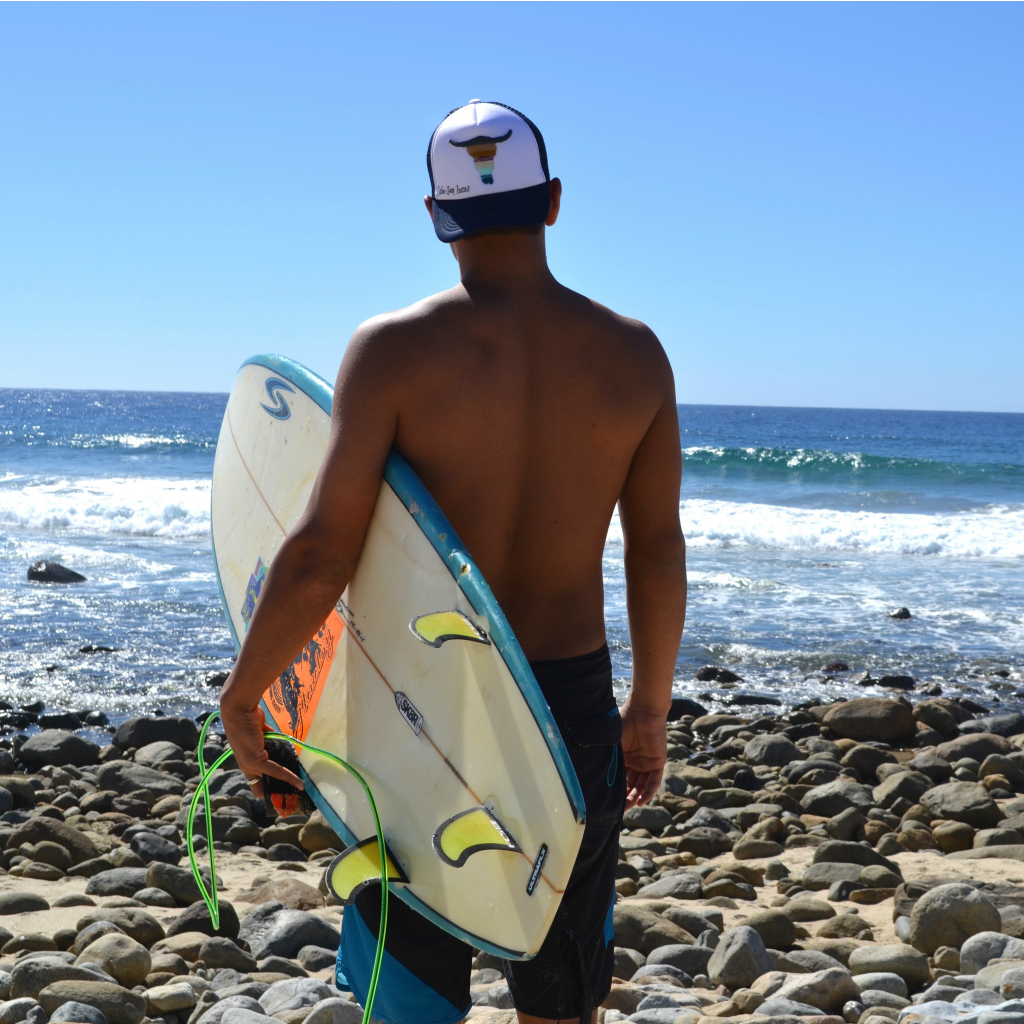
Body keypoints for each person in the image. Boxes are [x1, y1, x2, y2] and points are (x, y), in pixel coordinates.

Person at [220, 99, 686, 1024]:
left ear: (436, 216)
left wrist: (246, 696)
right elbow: (656, 549)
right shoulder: (636, 357)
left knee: (413, 991)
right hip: (568, 705)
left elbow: (319, 555)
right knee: (559, 981)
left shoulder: (391, 351)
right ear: (552, 201)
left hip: (413, 706)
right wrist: (648, 711)